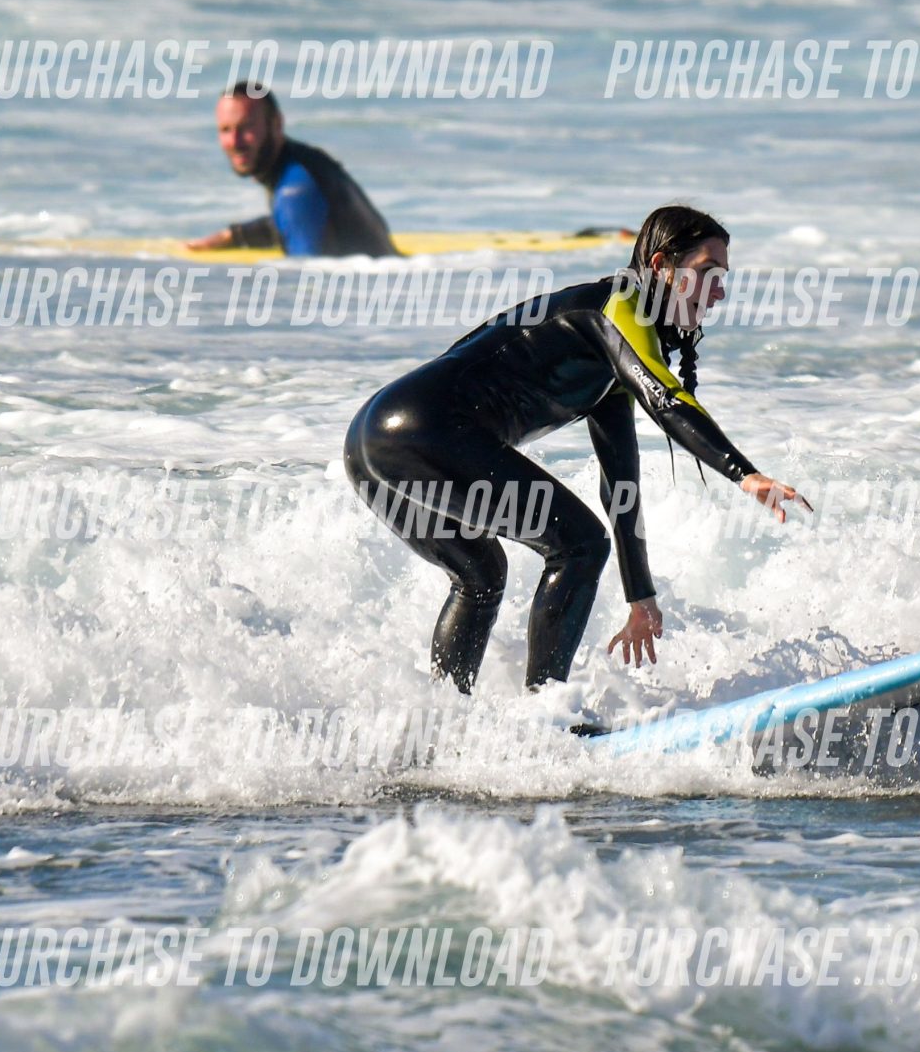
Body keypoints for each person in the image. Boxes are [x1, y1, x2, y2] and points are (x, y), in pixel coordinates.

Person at [344, 204, 807, 692]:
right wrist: (743, 472)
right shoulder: (619, 307)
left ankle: (441, 717)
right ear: (661, 267)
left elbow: (621, 483)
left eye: (723, 277)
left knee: (480, 576)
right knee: (578, 545)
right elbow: (667, 400)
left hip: (371, 443)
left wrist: (640, 597)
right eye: (708, 272)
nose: (719, 291)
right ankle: (548, 712)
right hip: (422, 428)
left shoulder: (610, 359)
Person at [184, 82, 398, 258]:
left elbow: (307, 280)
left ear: (276, 124)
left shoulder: (295, 192)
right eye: (225, 130)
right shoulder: (305, 165)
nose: (234, 141)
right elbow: (293, 221)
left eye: (246, 127)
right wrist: (236, 235)